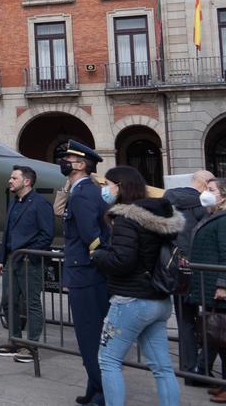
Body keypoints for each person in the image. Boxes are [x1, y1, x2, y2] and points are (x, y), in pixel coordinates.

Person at [91, 166, 183, 406]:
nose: (105, 189)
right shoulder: (159, 217)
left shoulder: (126, 219)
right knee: (162, 367)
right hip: (158, 299)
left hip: (131, 299)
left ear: (120, 186)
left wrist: (99, 256)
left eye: (107, 184)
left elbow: (122, 261)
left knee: (108, 360)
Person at [59, 139, 110, 405]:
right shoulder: (83, 190)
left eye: (68, 158)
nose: (64, 162)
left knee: (89, 336)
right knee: (91, 334)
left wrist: (93, 262)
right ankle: (94, 388)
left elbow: (92, 236)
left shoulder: (83, 193)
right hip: (87, 273)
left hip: (86, 274)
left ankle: (101, 393)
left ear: (80, 164)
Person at [0, 165, 54, 362]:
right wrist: (1, 259)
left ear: (26, 181)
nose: (10, 181)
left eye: (14, 178)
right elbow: (7, 234)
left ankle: (32, 347)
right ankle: (15, 342)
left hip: (29, 261)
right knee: (8, 302)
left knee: (32, 304)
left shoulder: (40, 204)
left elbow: (47, 235)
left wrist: (28, 253)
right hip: (12, 260)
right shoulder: (13, 203)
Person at [164, 169, 214, 376]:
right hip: (205, 268)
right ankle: (202, 367)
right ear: (205, 184)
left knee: (185, 318)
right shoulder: (205, 205)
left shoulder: (169, 199)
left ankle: (188, 367)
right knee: (212, 318)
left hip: (178, 266)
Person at [190, 177, 226, 401]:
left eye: (211, 190)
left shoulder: (223, 220)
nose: (206, 193)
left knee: (222, 335)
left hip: (217, 285)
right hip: (208, 283)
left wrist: (223, 283)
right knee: (217, 335)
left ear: (223, 195)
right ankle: (217, 380)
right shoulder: (213, 215)